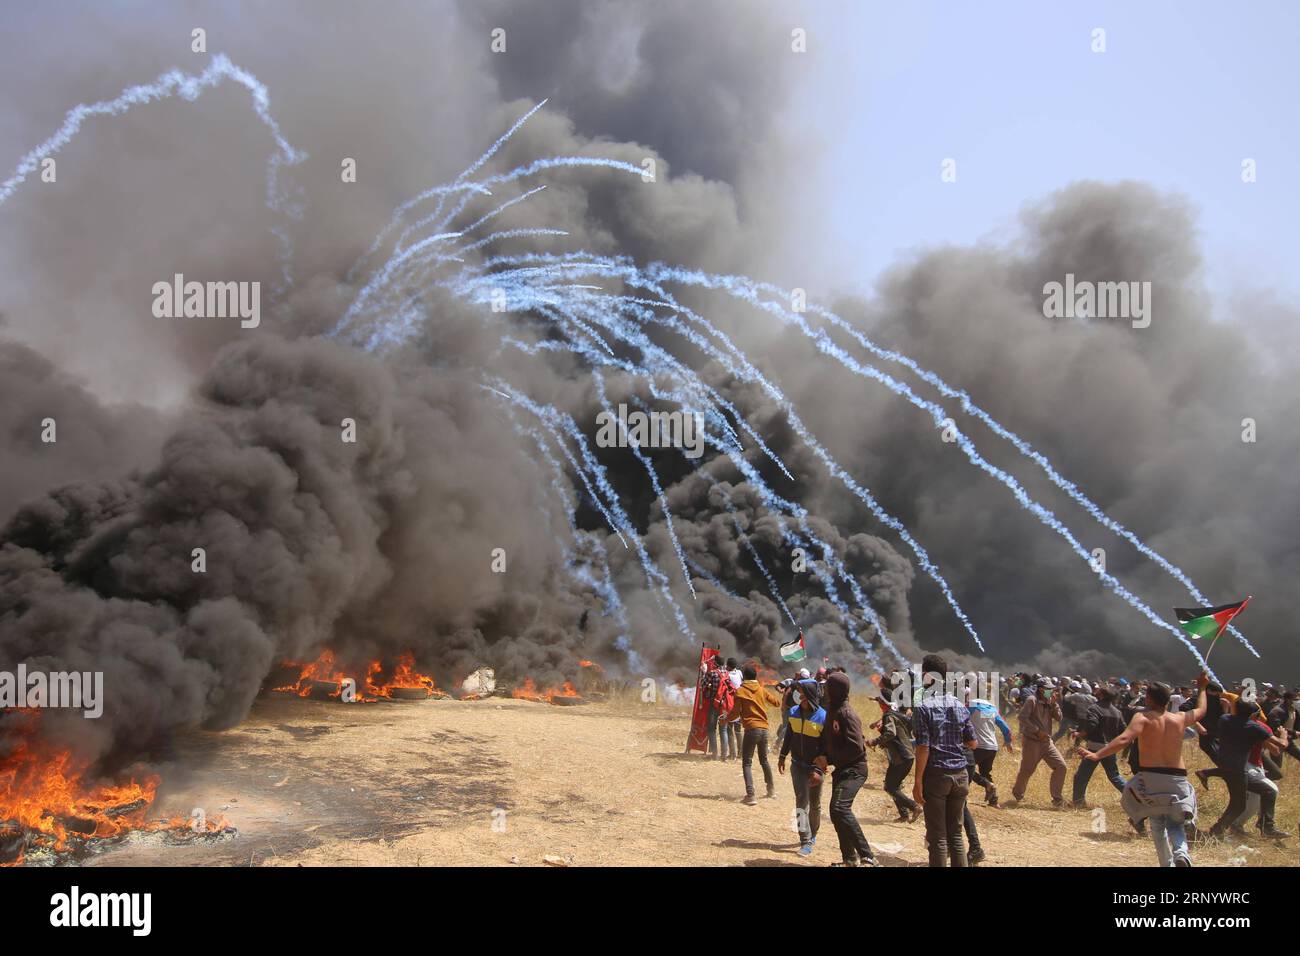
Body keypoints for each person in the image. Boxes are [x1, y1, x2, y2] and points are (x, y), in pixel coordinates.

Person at [1078, 674, 1208, 867]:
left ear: (1149, 699)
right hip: (1177, 777)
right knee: (1176, 823)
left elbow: (1124, 739)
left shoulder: (1143, 717)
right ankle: (1182, 854)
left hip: (1151, 777)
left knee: (1157, 823)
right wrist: (1203, 689)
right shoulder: (1180, 718)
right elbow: (1202, 710)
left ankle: (1167, 864)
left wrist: (1098, 755)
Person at [911, 653, 977, 867]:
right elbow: (973, 743)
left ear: (926, 676)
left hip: (936, 775)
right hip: (960, 775)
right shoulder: (959, 705)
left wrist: (917, 781)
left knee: (938, 837)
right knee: (956, 835)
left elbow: (923, 747)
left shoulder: (923, 708)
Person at [1205, 698, 1289, 839]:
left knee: (1238, 804)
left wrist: (1228, 707)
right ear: (1253, 714)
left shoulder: (1224, 719)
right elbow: (1281, 745)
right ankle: (1266, 827)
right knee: (1266, 792)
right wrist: (1284, 735)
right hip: (1239, 770)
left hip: (1226, 766)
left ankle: (1217, 830)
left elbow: (1231, 716)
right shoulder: (1253, 727)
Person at [821, 672, 880, 866]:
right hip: (842, 768)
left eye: (828, 687)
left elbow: (856, 747)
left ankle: (868, 856)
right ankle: (849, 859)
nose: (825, 690)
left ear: (835, 691)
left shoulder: (847, 714)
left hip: (854, 769)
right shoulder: (832, 710)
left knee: (839, 808)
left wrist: (831, 759)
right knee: (835, 811)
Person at [778, 679, 827, 857]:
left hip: (815, 768)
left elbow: (826, 748)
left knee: (815, 804)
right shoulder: (793, 712)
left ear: (812, 696)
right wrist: (782, 756)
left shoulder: (823, 717)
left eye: (803, 694)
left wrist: (819, 770)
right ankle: (804, 840)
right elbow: (789, 736)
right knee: (801, 802)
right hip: (797, 765)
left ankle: (813, 834)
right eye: (798, 693)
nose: (799, 697)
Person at [1011, 679, 1067, 806]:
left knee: (1061, 766)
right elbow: (1022, 717)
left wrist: (1054, 704)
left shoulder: (1050, 701)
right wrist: (1036, 731)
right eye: (1049, 689)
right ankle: (1018, 794)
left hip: (1047, 742)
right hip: (1032, 741)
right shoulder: (1032, 700)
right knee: (1027, 770)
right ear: (1041, 689)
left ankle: (1057, 798)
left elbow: (1059, 718)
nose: (1052, 691)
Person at [733, 664, 782, 805]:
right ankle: (771, 790)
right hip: (764, 730)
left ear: (744, 676)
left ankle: (751, 795)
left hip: (751, 729)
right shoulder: (761, 690)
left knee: (747, 762)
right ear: (755, 676)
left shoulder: (740, 691)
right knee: (764, 760)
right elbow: (777, 703)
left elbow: (734, 713)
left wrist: (726, 719)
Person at [1071, 685, 1127, 806]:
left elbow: (1092, 725)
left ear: (1102, 695)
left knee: (1081, 777)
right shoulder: (1117, 712)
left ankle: (1078, 802)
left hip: (1094, 748)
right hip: (1110, 748)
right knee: (1115, 776)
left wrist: (1079, 733)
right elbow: (1124, 730)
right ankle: (1135, 796)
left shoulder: (1095, 708)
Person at [869, 699, 921, 822]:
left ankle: (914, 807)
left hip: (901, 757)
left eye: (880, 702)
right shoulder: (896, 715)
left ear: (884, 704)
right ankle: (904, 815)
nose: (879, 704)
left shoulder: (889, 716)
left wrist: (874, 741)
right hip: (903, 756)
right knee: (893, 786)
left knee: (890, 787)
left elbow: (891, 733)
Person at [966, 694, 1013, 806]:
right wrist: (1008, 741)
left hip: (978, 746)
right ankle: (993, 801)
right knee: (985, 772)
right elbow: (1005, 727)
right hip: (992, 747)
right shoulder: (991, 708)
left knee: (965, 768)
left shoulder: (970, 707)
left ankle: (962, 797)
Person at [725, 658, 743, 761]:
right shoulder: (739, 673)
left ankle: (732, 754)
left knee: (729, 729)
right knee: (738, 731)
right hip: (740, 704)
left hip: (730, 704)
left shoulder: (728, 675)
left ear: (729, 666)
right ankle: (740, 753)